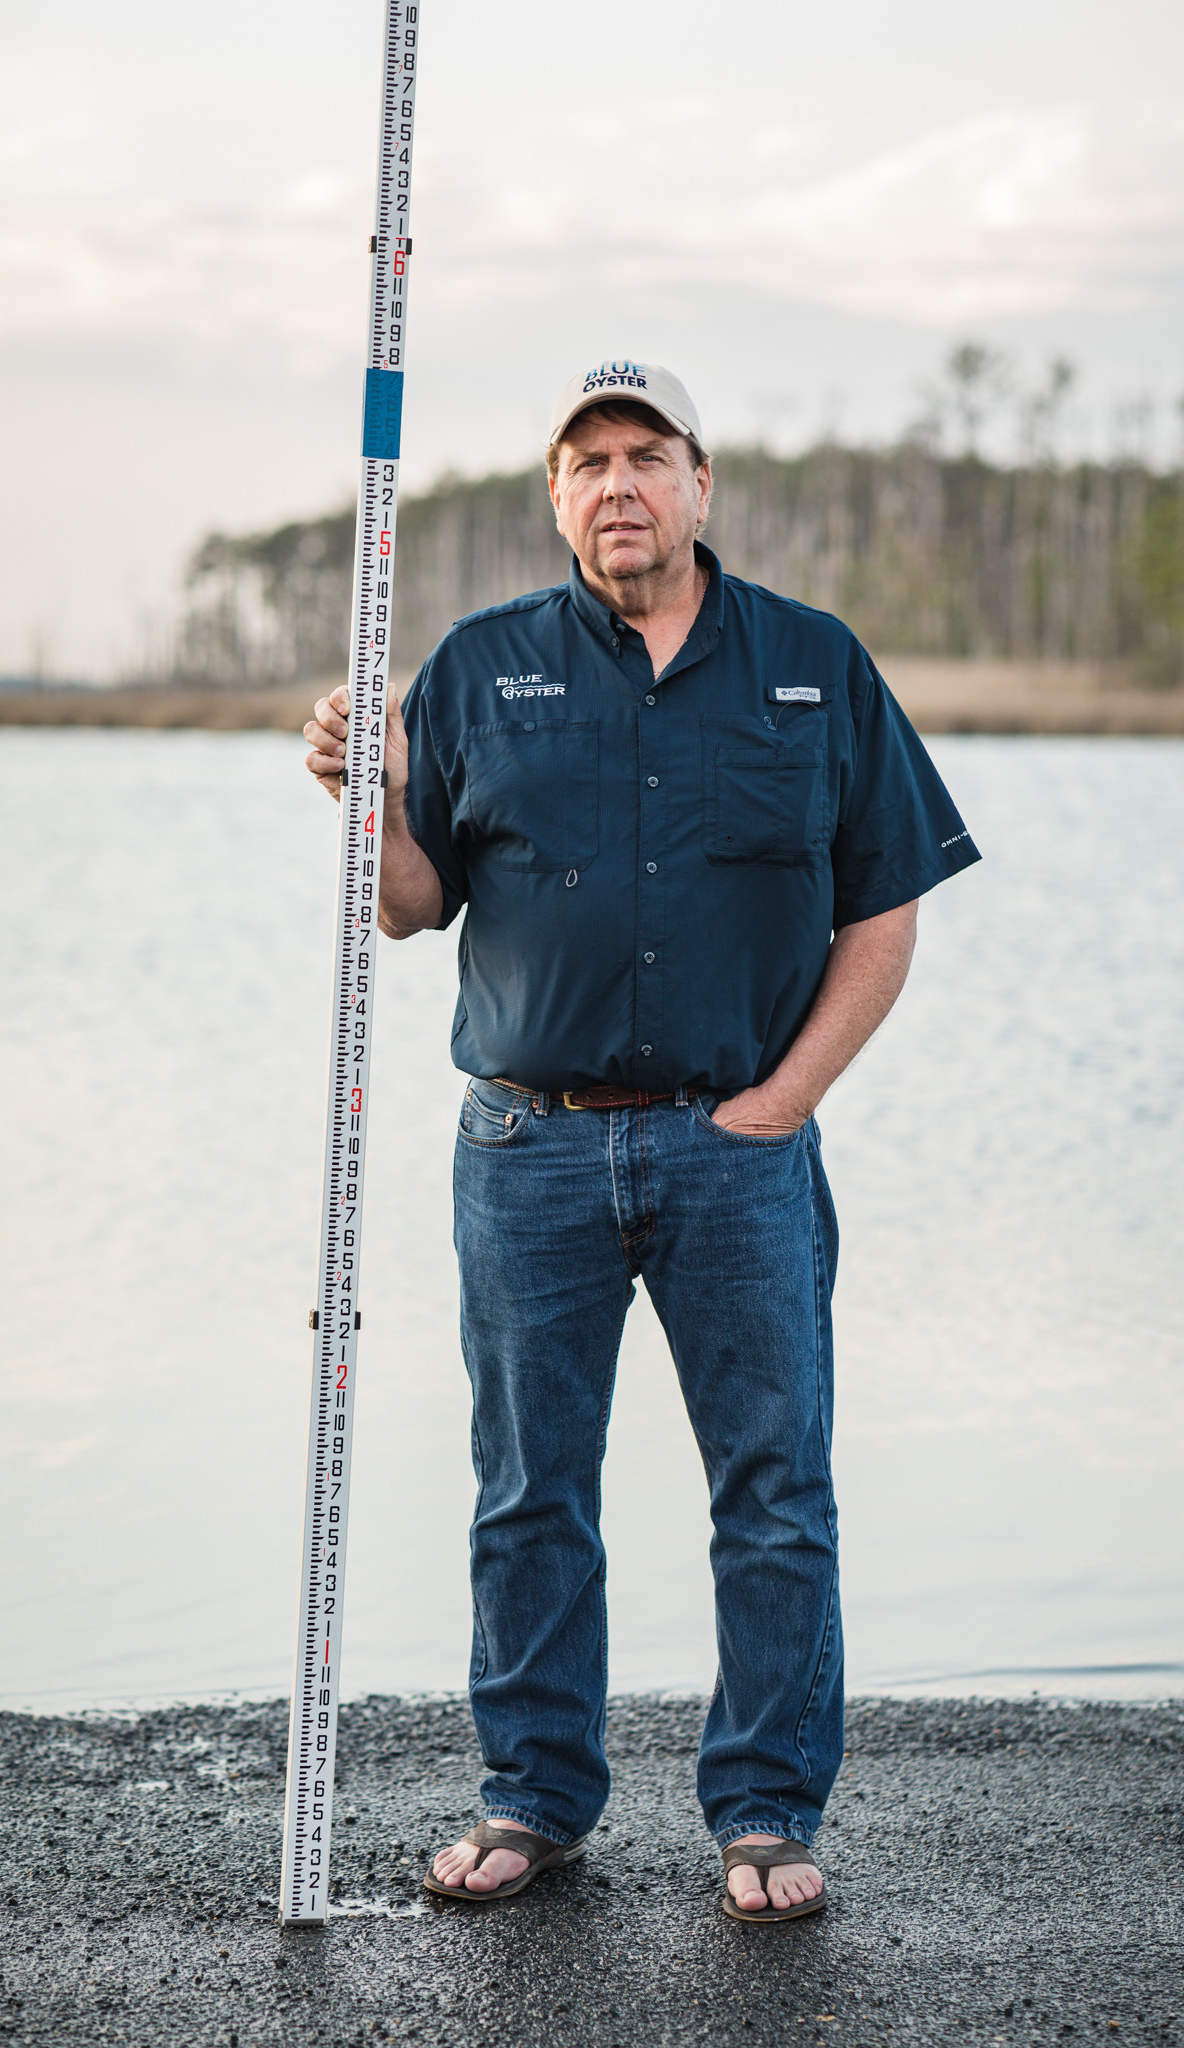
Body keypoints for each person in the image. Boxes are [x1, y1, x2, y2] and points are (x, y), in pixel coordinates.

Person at [304, 360, 980, 1922]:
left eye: (644, 455)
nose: (617, 484)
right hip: (526, 1150)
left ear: (698, 482)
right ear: (557, 496)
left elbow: (883, 911)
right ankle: (534, 1798)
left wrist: (782, 1105)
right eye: (585, 461)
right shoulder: (480, 668)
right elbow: (410, 907)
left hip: (736, 1153)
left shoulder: (813, 666)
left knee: (772, 1487)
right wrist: (369, 796)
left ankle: (762, 1811)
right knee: (530, 1486)